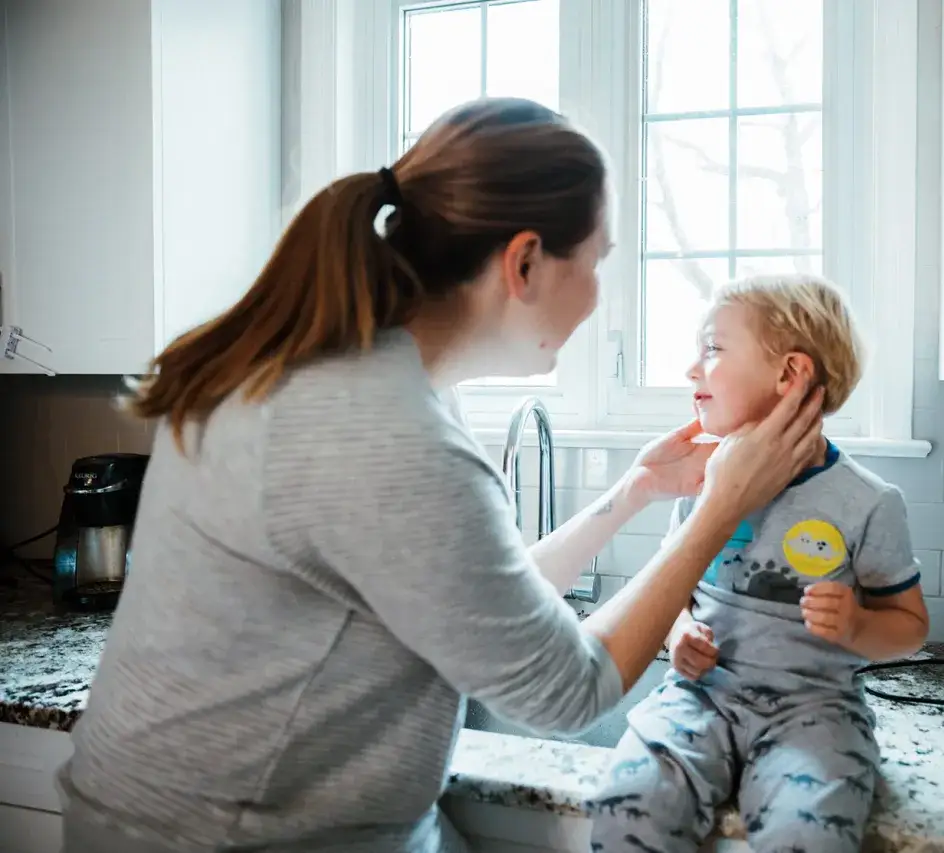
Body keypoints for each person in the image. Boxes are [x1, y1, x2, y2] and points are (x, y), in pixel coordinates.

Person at [56, 98, 825, 853]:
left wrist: (634, 496)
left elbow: (480, 603)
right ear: (523, 262)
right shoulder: (391, 435)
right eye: (597, 262)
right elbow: (567, 688)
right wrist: (719, 508)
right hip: (217, 835)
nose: (600, 293)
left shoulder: (371, 374)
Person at [588, 273, 930, 852]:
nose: (693, 370)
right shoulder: (706, 480)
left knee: (809, 833)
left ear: (791, 374)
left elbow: (910, 627)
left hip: (815, 713)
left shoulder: (867, 501)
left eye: (714, 349)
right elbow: (677, 591)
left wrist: (857, 625)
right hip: (698, 699)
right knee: (628, 802)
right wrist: (678, 635)